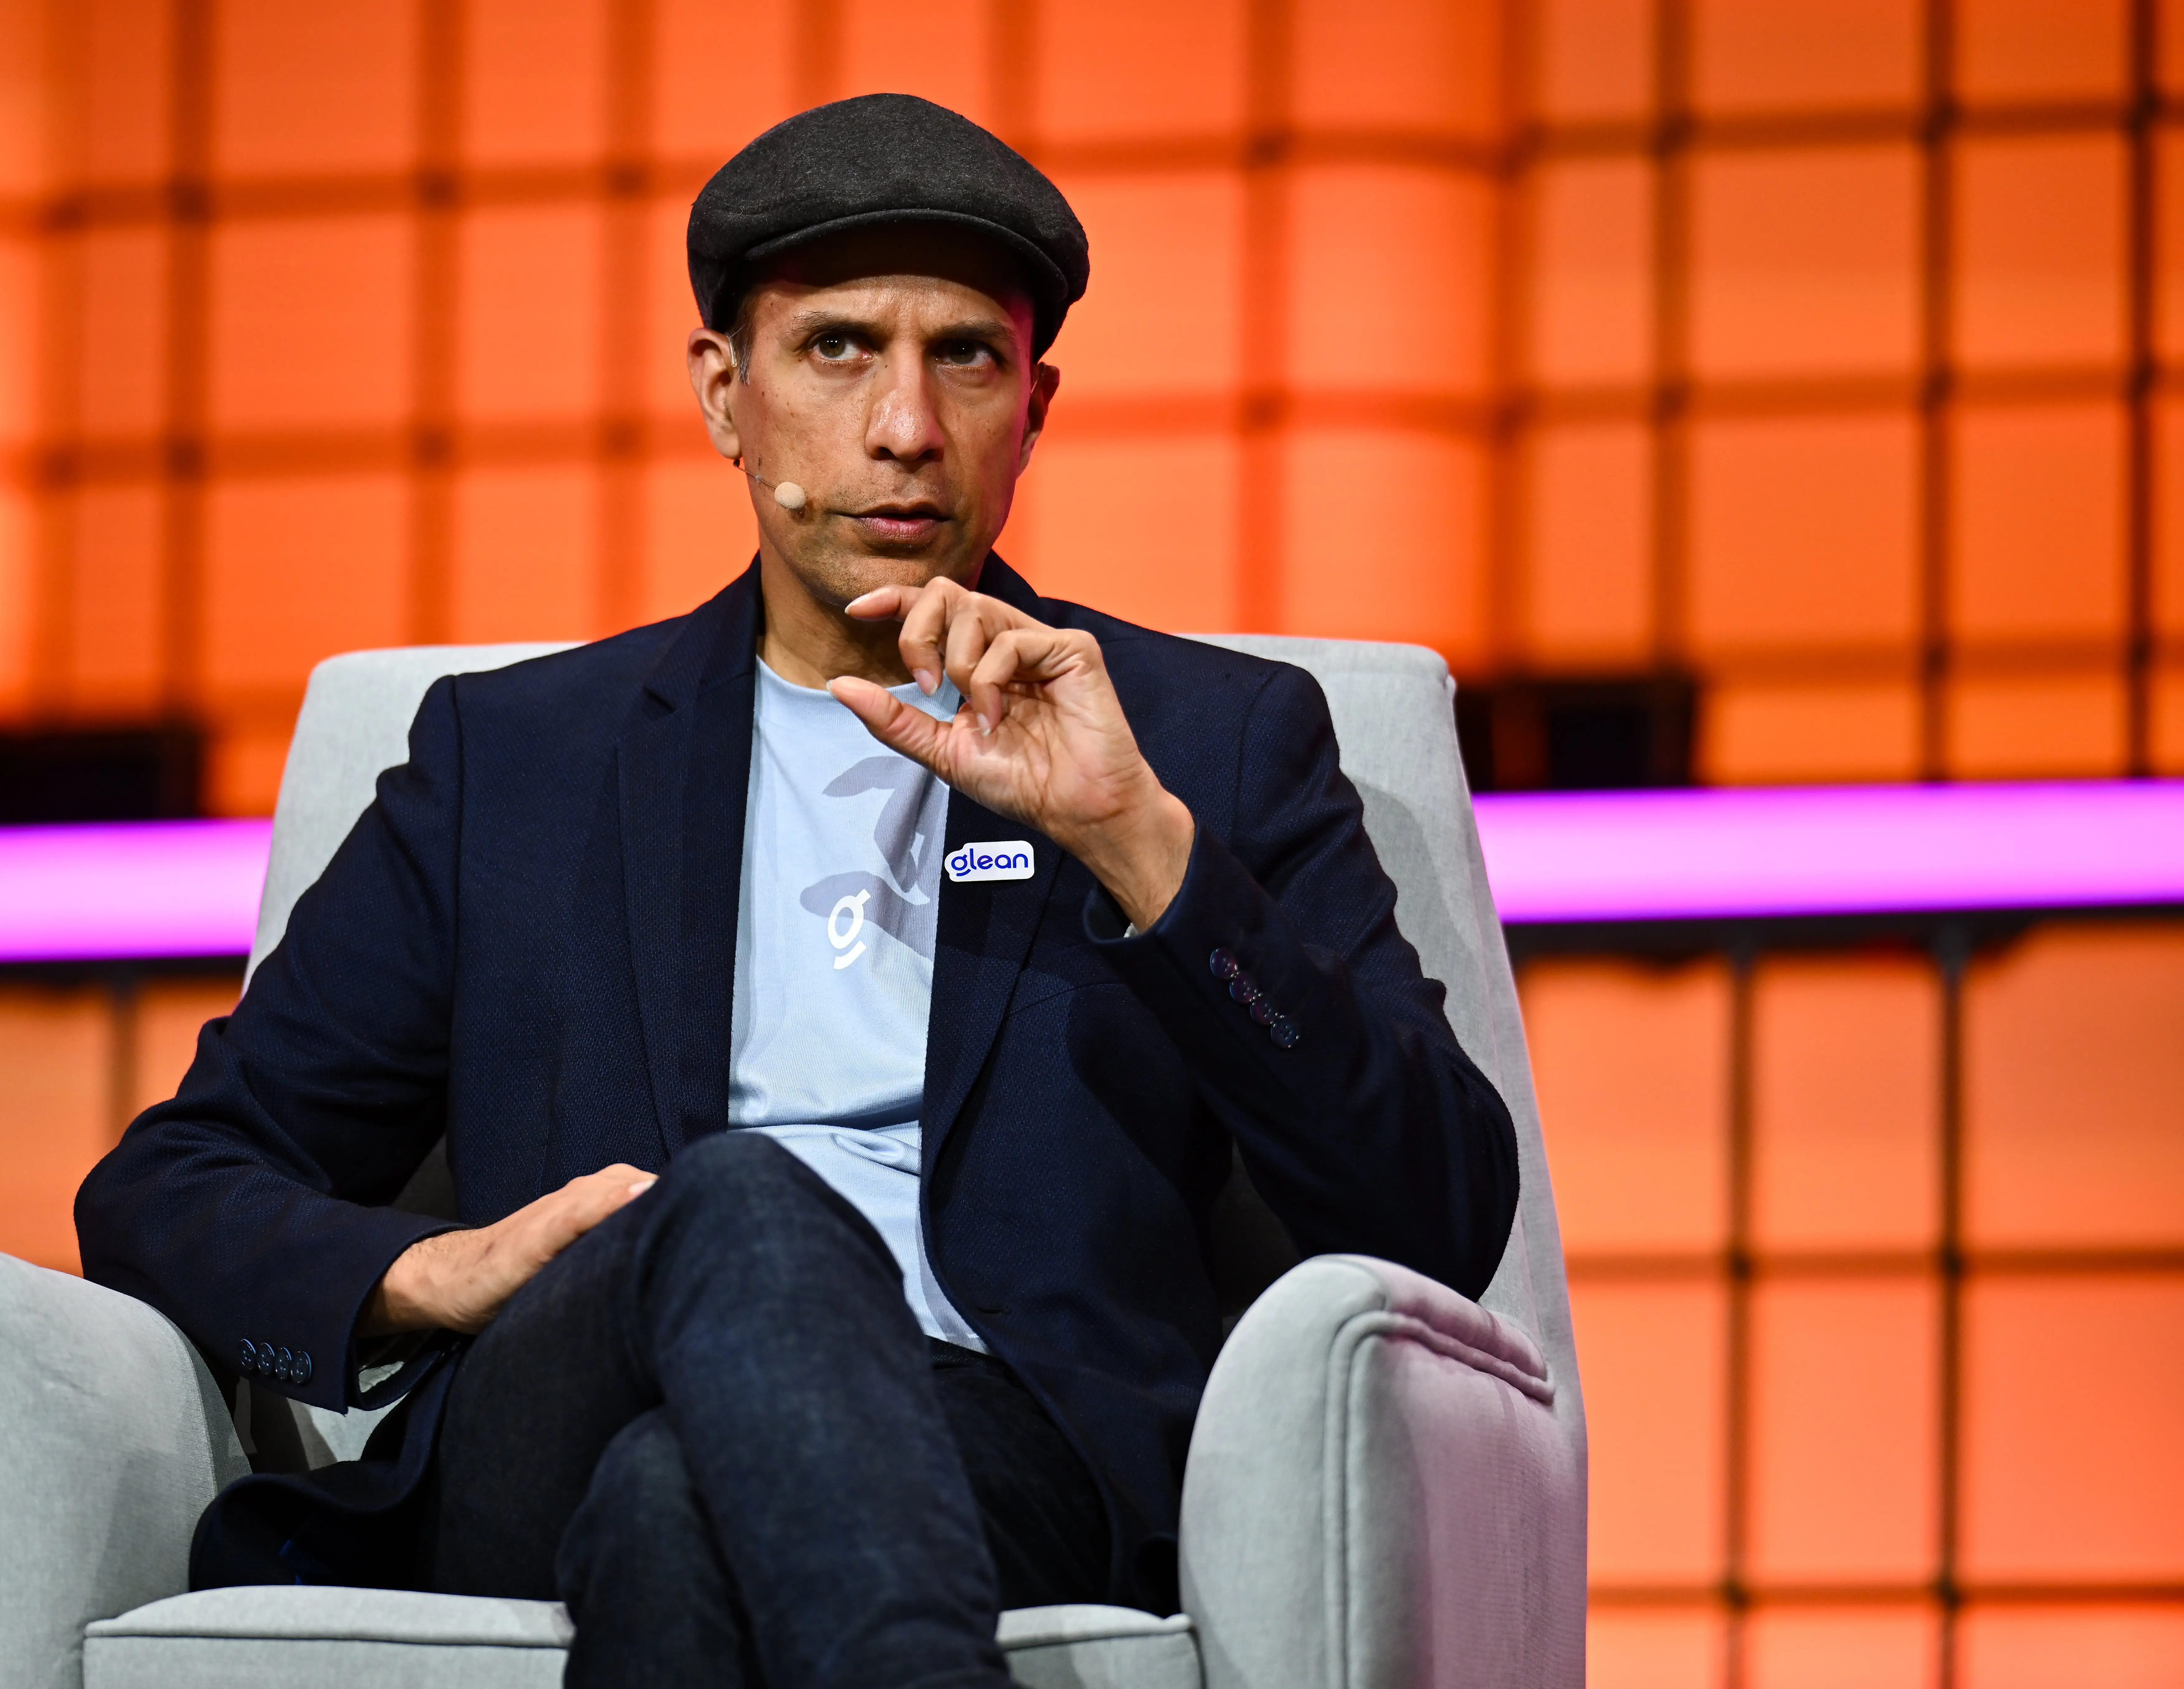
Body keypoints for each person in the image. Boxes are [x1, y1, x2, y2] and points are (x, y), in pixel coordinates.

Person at [75, 92, 1519, 1689]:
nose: (907, 424)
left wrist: (1146, 854)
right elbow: (170, 1184)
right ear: (726, 393)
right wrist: (434, 1274)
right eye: (838, 348)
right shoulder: (520, 761)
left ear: (1035, 407)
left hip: (1003, 1437)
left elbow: (1437, 1213)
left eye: (965, 358)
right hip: (562, 1401)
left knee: (670, 1510)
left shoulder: (1198, 743)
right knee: (743, 1205)